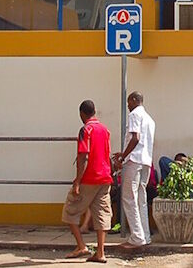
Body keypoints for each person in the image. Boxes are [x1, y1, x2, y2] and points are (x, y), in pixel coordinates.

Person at [61, 99, 113, 263]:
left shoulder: (86, 130)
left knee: (70, 211)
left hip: (89, 177)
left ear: (82, 113)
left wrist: (77, 181)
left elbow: (83, 155)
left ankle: (81, 246)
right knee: (102, 214)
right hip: (105, 177)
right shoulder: (105, 129)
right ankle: (100, 252)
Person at [112, 91, 156, 251]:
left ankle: (137, 237)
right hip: (145, 162)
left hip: (134, 161)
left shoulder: (134, 115)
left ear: (134, 100)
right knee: (140, 200)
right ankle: (145, 236)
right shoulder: (150, 119)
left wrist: (123, 157)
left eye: (128, 102)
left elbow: (135, 138)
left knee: (129, 198)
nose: (128, 106)